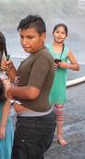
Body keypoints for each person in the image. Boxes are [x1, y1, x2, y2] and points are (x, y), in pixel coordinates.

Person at [6, 15, 56, 159]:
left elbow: (32, 92)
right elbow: (23, 83)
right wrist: (11, 70)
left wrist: (8, 91)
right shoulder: (35, 55)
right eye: (22, 37)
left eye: (30, 37)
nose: (24, 42)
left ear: (43, 36)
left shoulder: (42, 57)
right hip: (33, 123)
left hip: (34, 125)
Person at [47, 23, 80, 146]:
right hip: (47, 85)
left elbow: (77, 67)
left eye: (62, 33)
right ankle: (44, 135)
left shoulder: (66, 51)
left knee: (59, 113)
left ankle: (59, 136)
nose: (60, 34)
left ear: (66, 36)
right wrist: (50, 65)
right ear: (53, 33)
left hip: (59, 86)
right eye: (57, 32)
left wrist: (66, 65)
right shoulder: (46, 48)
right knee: (45, 111)